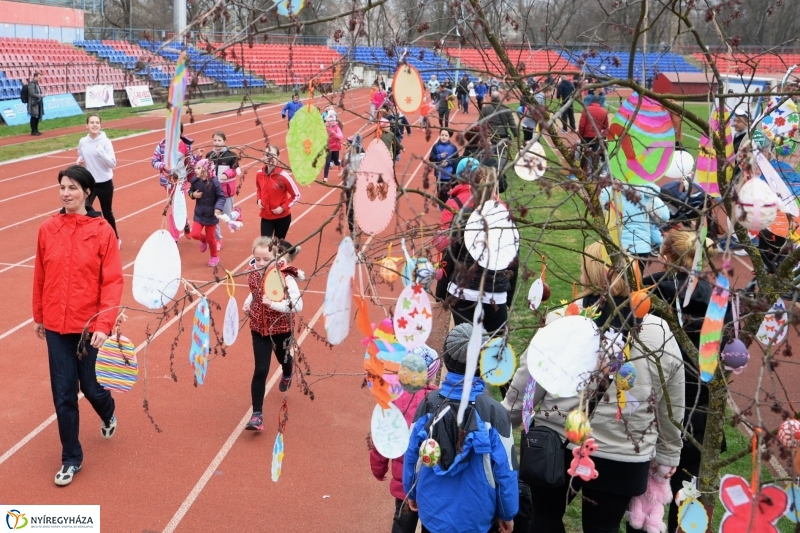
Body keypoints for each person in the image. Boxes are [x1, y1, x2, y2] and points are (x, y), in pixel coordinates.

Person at [502, 242, 685, 533]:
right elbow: (672, 403)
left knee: (545, 518)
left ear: (588, 274)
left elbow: (529, 384)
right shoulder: (659, 333)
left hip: (557, 444)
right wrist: (668, 453)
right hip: (625, 454)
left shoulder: (562, 321)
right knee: (604, 527)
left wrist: (503, 418)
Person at [33, 165, 123, 486]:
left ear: (87, 192)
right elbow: (40, 275)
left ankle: (107, 410)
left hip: (88, 327)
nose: (65, 193)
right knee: (64, 394)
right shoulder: (48, 228)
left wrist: (103, 324)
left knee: (91, 388)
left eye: (72, 187)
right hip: (56, 326)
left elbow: (112, 281)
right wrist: (39, 316)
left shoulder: (102, 231)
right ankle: (71, 458)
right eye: (62, 187)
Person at [638, 231, 732, 533]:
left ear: (665, 256)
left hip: (655, 404)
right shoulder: (719, 298)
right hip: (700, 409)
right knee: (687, 497)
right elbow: (728, 351)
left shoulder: (651, 290)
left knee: (642, 498)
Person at [403, 323, 519, 533]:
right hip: (476, 518)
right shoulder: (495, 413)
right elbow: (505, 470)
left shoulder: (428, 404)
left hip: (432, 513)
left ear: (446, 360)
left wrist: (411, 492)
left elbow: (412, 454)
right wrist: (507, 513)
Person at [370, 347, 440, 533]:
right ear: (431, 375)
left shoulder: (394, 400)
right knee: (432, 525)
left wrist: (379, 469)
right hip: (433, 482)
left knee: (402, 525)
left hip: (404, 483)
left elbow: (382, 438)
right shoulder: (440, 402)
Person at [242, 237, 303, 431]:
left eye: (266, 259)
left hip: (281, 328)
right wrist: (248, 302)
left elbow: (298, 305)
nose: (261, 263)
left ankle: (287, 370)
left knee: (283, 358)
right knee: (261, 370)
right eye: (257, 258)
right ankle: (257, 416)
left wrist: (274, 304)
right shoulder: (253, 273)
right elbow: (255, 290)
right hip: (259, 329)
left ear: (276, 257)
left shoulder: (286, 277)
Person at [443, 166, 511, 332]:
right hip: (494, 294)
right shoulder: (505, 217)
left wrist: (441, 289)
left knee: (465, 343)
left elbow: (451, 254)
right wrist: (508, 295)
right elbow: (512, 260)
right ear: (494, 189)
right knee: (494, 344)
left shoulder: (463, 216)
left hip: (462, 291)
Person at [600, 180, 669, 267]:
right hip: (641, 246)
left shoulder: (608, 191)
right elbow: (663, 217)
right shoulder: (645, 191)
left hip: (616, 244)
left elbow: (602, 214)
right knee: (638, 274)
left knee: (616, 274)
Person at [77, 114, 119, 248]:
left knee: (107, 212)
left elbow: (112, 163)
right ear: (87, 125)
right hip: (90, 184)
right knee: (84, 209)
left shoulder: (105, 142)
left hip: (105, 183)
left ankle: (115, 238)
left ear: (100, 125)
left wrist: (102, 153)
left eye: (97, 123)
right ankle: (90, 236)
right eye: (92, 122)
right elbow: (81, 156)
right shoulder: (83, 142)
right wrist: (80, 161)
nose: (94, 125)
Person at [152, 122, 197, 241]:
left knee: (175, 209)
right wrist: (163, 165)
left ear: (181, 132)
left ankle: (174, 239)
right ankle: (185, 223)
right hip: (168, 182)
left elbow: (190, 163)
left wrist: (197, 159)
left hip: (181, 182)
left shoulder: (186, 145)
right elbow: (154, 161)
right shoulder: (162, 145)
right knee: (178, 206)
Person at [206, 131, 242, 251]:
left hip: (226, 192)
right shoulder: (209, 155)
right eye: (215, 140)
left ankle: (237, 213)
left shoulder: (231, 156)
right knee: (215, 216)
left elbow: (236, 170)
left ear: (225, 142)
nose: (217, 143)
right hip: (213, 191)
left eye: (219, 140)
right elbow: (205, 169)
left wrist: (227, 174)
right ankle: (218, 239)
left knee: (226, 217)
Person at [256, 145, 300, 239]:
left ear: (278, 157)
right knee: (265, 243)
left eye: (273, 155)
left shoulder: (284, 176)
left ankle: (287, 248)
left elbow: (296, 195)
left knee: (278, 243)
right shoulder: (259, 174)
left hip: (282, 218)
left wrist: (283, 207)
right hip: (266, 216)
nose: (270, 158)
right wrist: (259, 199)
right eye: (267, 155)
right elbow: (259, 188)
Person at [188, 159, 226, 267]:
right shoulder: (195, 181)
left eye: (198, 168)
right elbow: (190, 191)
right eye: (196, 168)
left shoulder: (214, 182)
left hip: (211, 215)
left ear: (206, 170)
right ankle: (203, 240)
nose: (195, 170)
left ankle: (214, 257)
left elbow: (221, 197)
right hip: (199, 213)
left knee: (211, 238)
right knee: (194, 234)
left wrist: (218, 208)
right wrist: (193, 195)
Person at [578, 94, 609, 172]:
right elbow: (606, 127)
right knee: (595, 155)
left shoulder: (586, 110)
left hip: (586, 136)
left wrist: (581, 135)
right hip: (597, 137)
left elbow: (582, 125)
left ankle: (581, 171)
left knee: (584, 154)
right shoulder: (604, 111)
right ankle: (594, 172)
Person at [428, 129, 459, 205]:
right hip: (439, 174)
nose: (443, 137)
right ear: (439, 135)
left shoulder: (453, 147)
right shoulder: (436, 146)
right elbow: (431, 158)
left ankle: (449, 205)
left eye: (446, 135)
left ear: (449, 137)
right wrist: (439, 156)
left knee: (451, 191)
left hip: (450, 173)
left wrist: (448, 162)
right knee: (441, 192)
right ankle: (443, 204)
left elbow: (456, 159)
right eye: (442, 135)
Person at [324, 112, 344, 182]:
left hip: (335, 148)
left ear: (335, 121)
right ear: (327, 121)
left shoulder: (337, 128)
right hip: (328, 148)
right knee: (327, 162)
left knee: (336, 162)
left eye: (333, 121)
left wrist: (334, 134)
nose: (332, 122)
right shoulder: (325, 128)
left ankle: (339, 163)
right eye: (330, 121)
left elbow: (341, 136)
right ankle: (325, 178)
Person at [28, 72, 44, 136]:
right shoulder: (31, 84)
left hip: (38, 101)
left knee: (37, 116)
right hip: (33, 103)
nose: (40, 79)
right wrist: (40, 95)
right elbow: (32, 93)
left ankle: (36, 130)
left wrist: (41, 95)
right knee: (34, 116)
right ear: (35, 76)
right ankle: (33, 130)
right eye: (39, 77)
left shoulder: (36, 84)